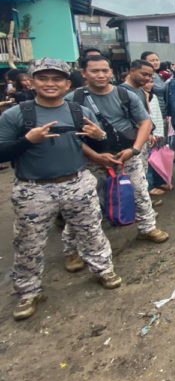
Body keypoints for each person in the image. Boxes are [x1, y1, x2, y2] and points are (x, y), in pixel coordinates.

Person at [0, 58, 121, 320]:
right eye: (43, 78)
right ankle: (28, 292)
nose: (50, 84)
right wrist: (27, 141)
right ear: (31, 82)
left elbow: (100, 147)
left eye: (57, 79)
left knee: (92, 232)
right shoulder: (16, 115)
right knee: (28, 243)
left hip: (77, 182)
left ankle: (103, 269)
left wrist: (101, 138)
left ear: (67, 84)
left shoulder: (77, 112)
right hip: (34, 190)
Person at [68, 55, 169, 242]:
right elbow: (68, 136)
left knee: (139, 190)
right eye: (94, 71)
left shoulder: (125, 95)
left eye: (105, 70)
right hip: (91, 159)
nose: (100, 75)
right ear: (84, 73)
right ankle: (74, 247)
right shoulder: (73, 99)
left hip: (126, 154)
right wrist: (95, 156)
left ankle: (147, 227)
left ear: (111, 72)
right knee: (83, 203)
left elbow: (145, 122)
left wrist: (135, 149)